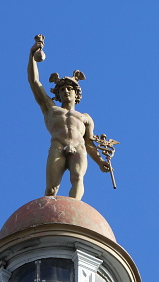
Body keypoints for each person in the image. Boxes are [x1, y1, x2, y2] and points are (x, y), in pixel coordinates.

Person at [28, 39, 109, 200]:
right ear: (58, 94)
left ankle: (74, 209)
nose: (66, 91)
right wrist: (31, 56)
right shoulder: (51, 108)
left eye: (69, 89)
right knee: (51, 188)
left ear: (76, 94)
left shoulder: (85, 118)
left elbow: (89, 143)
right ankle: (49, 215)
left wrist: (100, 162)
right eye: (63, 89)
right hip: (58, 143)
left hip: (79, 146)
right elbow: (35, 82)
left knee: (77, 178)